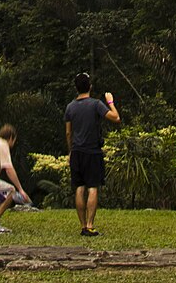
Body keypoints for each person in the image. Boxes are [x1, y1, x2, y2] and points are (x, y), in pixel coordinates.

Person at [62, 73, 118, 238]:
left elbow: (68, 132)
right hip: (92, 151)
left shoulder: (70, 107)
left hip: (77, 151)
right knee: (93, 187)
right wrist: (110, 102)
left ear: (76, 88)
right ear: (90, 87)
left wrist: (70, 151)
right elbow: (116, 118)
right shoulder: (96, 104)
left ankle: (82, 225)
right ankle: (90, 225)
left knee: (79, 187)